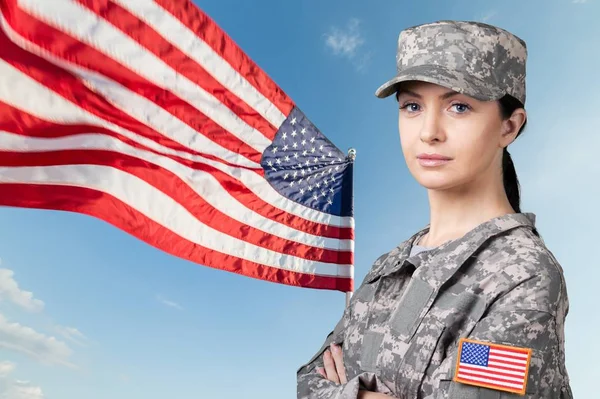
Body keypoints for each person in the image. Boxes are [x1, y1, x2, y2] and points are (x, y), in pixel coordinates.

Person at [296, 20, 573, 399]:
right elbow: (309, 381)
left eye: (459, 106)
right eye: (412, 106)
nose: (429, 131)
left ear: (509, 127)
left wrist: (347, 392)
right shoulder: (389, 267)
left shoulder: (521, 275)